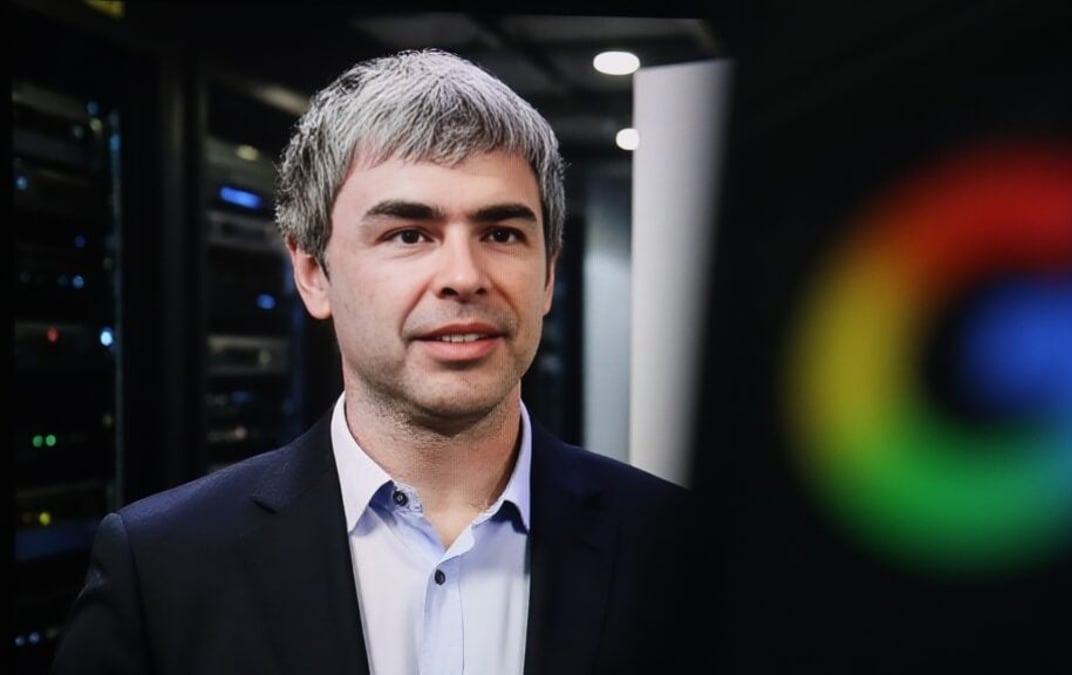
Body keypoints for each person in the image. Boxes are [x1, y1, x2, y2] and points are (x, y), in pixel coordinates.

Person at [51, 49, 698, 675]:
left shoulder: (682, 546)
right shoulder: (161, 567)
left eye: (501, 233)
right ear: (313, 274)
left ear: (549, 275)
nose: (464, 276)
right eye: (408, 234)